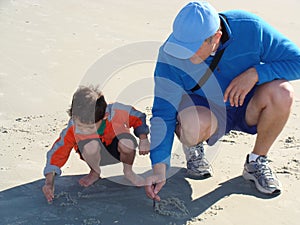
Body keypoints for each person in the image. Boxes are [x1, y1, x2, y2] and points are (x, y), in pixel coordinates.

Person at [145, 1, 300, 200]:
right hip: (204, 111)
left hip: (246, 104)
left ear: (216, 38)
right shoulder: (170, 55)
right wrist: (159, 167)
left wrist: (256, 73)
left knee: (283, 92)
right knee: (192, 124)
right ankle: (193, 145)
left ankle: (256, 161)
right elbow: (163, 113)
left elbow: (297, 61)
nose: (183, 53)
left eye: (191, 48)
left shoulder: (250, 27)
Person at [42, 85, 150, 202]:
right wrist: (49, 182)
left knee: (127, 143)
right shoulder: (73, 127)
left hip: (117, 150)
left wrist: (143, 138)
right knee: (90, 146)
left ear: (105, 116)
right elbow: (57, 153)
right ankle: (95, 172)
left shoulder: (116, 112)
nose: (82, 130)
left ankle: (129, 172)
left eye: (89, 128)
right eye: (79, 125)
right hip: (92, 154)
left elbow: (138, 116)